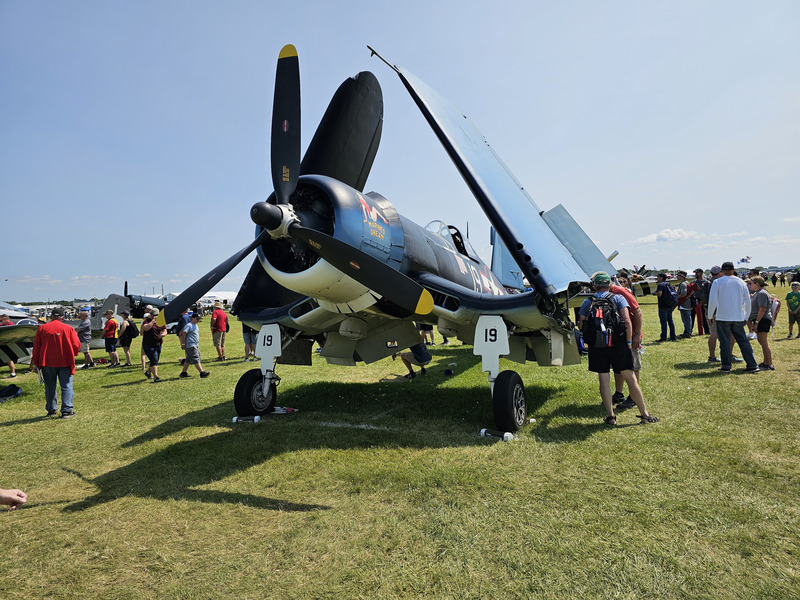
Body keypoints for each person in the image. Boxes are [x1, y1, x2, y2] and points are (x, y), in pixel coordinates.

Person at [579, 272, 657, 426]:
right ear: (610, 285)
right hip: (619, 343)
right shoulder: (618, 298)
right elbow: (627, 321)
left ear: (594, 286)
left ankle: (610, 416)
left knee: (604, 380)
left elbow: (582, 323)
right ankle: (644, 414)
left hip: (597, 345)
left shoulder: (587, 301)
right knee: (631, 379)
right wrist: (628, 342)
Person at [707, 262, 759, 373]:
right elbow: (747, 301)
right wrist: (746, 316)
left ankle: (726, 366)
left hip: (722, 317)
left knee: (724, 342)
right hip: (738, 317)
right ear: (733, 269)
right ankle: (752, 365)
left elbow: (712, 301)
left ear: (722, 271)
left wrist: (710, 315)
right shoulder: (741, 282)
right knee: (743, 341)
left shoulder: (717, 282)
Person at [31, 307, 81, 417]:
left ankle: (51, 410)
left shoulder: (42, 329)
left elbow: (37, 347)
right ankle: (67, 410)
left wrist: (36, 363)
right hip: (65, 360)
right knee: (66, 385)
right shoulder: (68, 328)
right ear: (63, 317)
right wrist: (74, 353)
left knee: (50, 387)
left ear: (51, 317)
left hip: (47, 362)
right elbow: (76, 344)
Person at [609, 279, 643, 410]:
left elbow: (638, 311)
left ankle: (633, 398)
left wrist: (637, 334)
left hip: (631, 335)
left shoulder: (620, 292)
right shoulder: (608, 293)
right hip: (618, 336)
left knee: (633, 366)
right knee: (618, 366)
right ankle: (619, 394)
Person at [748, 276, 774, 370]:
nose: (749, 285)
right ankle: (765, 362)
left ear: (757, 284)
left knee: (764, 342)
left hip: (763, 320)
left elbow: (762, 309)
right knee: (761, 341)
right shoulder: (758, 293)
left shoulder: (761, 293)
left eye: (751, 283)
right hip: (761, 319)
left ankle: (769, 364)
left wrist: (756, 322)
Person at [179, 313, 210, 378]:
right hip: (191, 345)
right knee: (196, 359)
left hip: (194, 345)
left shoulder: (195, 325)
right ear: (192, 318)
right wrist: (183, 344)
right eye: (197, 319)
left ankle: (183, 373)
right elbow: (184, 334)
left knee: (188, 360)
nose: (198, 320)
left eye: (199, 319)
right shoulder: (189, 325)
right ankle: (202, 372)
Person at [141, 307, 167, 382]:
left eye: (157, 315)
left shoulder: (161, 321)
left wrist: (162, 335)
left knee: (155, 360)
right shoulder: (147, 321)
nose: (156, 316)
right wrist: (153, 321)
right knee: (154, 360)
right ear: (151, 315)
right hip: (148, 344)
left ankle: (148, 372)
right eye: (154, 315)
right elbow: (145, 328)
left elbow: (165, 330)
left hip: (158, 343)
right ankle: (156, 377)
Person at [655, 273, 677, 342]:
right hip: (669, 305)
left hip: (663, 306)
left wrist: (655, 293)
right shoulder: (668, 284)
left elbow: (660, 294)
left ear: (661, 278)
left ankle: (663, 337)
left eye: (658, 277)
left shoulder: (660, 285)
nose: (657, 278)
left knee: (663, 322)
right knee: (670, 321)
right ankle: (673, 336)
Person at [675, 270, 693, 338]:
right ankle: (688, 332)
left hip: (684, 303)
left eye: (678, 275)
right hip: (687, 303)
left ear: (681, 276)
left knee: (686, 319)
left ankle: (687, 333)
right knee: (687, 319)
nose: (677, 276)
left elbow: (683, 294)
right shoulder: (686, 283)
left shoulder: (683, 284)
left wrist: (676, 296)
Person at [692, 268, 709, 335]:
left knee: (704, 317)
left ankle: (707, 330)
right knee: (692, 316)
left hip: (703, 302)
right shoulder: (693, 282)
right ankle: (689, 331)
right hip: (694, 302)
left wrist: (704, 301)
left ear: (701, 273)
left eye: (697, 272)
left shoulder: (706, 282)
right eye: (695, 272)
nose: (696, 274)